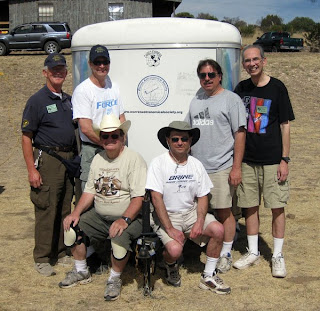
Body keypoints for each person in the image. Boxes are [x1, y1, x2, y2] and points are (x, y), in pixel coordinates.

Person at [59, 114, 147, 301]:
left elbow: (139, 197)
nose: (109, 139)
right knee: (71, 227)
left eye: (114, 135)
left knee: (118, 236)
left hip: (129, 218)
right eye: (105, 136)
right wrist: (75, 213)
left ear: (122, 137)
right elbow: (90, 191)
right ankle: (81, 271)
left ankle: (114, 278)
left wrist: (124, 220)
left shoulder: (134, 159)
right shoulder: (98, 159)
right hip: (99, 216)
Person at [146, 121, 231, 295]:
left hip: (191, 212)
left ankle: (208, 275)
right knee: (175, 250)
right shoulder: (158, 163)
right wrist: (169, 228)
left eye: (184, 139)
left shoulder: (196, 164)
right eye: (175, 139)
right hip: (167, 215)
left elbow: (202, 196)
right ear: (168, 141)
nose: (180, 142)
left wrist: (200, 221)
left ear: (190, 141)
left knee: (218, 229)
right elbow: (156, 198)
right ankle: (169, 265)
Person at [233, 45, 295, 278]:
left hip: (272, 160)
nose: (251, 64)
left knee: (276, 207)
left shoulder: (277, 88)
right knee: (250, 206)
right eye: (247, 61)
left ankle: (277, 255)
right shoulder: (241, 88)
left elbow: (285, 125)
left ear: (264, 61)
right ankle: (253, 251)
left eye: (255, 59)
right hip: (247, 160)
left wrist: (284, 159)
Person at [185, 59, 246, 273]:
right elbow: (188, 134)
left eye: (211, 74)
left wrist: (236, 167)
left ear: (220, 76)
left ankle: (226, 252)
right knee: (199, 210)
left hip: (222, 166)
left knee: (223, 211)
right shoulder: (196, 100)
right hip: (198, 168)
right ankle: (210, 244)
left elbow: (240, 134)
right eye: (203, 75)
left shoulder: (231, 100)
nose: (207, 79)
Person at [21, 53, 75, 276]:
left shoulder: (68, 99)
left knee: (64, 207)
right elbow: (26, 136)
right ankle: (42, 257)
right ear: (45, 72)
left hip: (68, 160)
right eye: (54, 69)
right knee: (46, 208)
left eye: (61, 69)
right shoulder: (37, 101)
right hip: (48, 160)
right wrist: (31, 170)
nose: (58, 72)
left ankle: (61, 251)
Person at [72, 44, 126, 190]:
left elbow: (121, 117)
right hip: (94, 149)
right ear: (90, 64)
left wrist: (120, 143)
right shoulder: (83, 91)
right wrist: (107, 144)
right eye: (97, 62)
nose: (102, 66)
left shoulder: (113, 86)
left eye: (105, 62)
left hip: (114, 147)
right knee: (91, 191)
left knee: (116, 189)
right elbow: (85, 128)